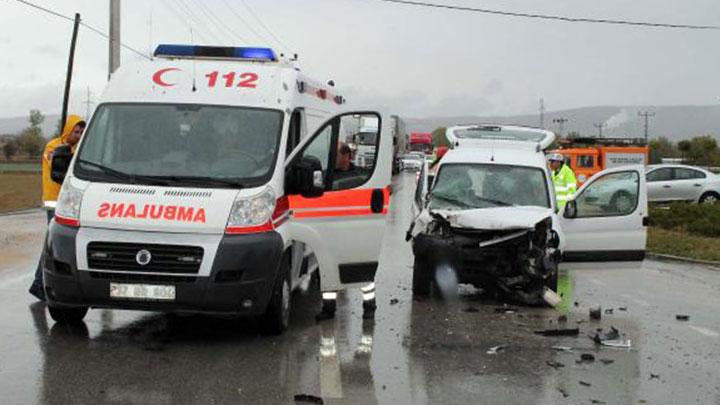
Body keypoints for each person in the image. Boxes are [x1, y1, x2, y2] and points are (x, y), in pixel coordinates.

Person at [316, 142, 377, 321]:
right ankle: (328, 309)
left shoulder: (363, 176)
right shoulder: (326, 176)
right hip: (331, 230)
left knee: (362, 271)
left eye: (334, 155)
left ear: (345, 156)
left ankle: (369, 307)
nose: (331, 158)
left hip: (356, 230)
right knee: (329, 270)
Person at [28, 115, 86, 301]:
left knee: (53, 245)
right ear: (68, 130)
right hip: (55, 201)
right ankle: (39, 285)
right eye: (76, 132)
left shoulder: (73, 148)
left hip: (67, 201)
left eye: (81, 132)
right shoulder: (54, 147)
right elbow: (57, 168)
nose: (78, 135)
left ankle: (39, 285)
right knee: (52, 245)